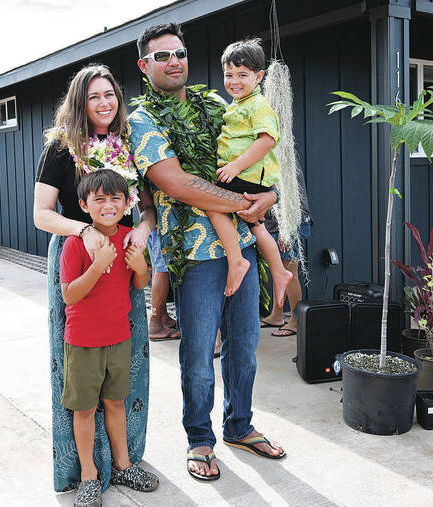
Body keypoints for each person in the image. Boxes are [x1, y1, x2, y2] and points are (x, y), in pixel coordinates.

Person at [128, 22, 285, 482]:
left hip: (243, 242)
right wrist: (250, 204)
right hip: (195, 252)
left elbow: (259, 153)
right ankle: (200, 438)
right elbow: (176, 183)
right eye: (162, 56)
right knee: (198, 355)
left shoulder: (218, 102)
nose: (174, 61)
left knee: (246, 347)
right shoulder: (142, 118)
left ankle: (240, 425)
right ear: (145, 65)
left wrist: (270, 195)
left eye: (179, 52)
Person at [33, 64, 156, 494]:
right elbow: (42, 213)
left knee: (126, 367)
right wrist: (83, 231)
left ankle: (125, 461)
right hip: (75, 252)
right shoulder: (62, 147)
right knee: (77, 373)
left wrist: (142, 228)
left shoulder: (129, 143)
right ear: (80, 102)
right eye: (94, 96)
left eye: (110, 95)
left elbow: (147, 204)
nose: (104, 103)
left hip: (126, 256)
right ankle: (82, 473)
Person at [60, 170, 159, 506]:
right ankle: (88, 475)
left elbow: (139, 285)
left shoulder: (131, 238)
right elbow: (70, 296)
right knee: (85, 409)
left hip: (119, 338)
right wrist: (97, 263)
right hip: (83, 342)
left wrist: (141, 265)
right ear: (84, 205)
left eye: (115, 198)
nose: (107, 205)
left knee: (116, 403)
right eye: (98, 199)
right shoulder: (75, 244)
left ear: (127, 202)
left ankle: (123, 465)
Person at [206, 38, 292, 301]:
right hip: (245, 177)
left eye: (242, 75)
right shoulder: (237, 103)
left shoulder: (258, 104)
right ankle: (279, 271)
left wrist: (234, 166)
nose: (234, 81)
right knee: (257, 227)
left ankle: (237, 260)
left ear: (259, 77)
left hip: (246, 176)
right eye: (229, 74)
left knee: (211, 203)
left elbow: (267, 140)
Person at [261, 169, 313, 337]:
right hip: (274, 223)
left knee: (290, 273)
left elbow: (290, 195)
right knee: (278, 270)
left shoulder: (282, 156)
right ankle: (277, 315)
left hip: (288, 223)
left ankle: (295, 321)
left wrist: (286, 229)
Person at [147, 228, 180, 341]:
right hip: (163, 223)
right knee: (162, 269)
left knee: (157, 267)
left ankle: (162, 317)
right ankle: (155, 323)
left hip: (153, 221)